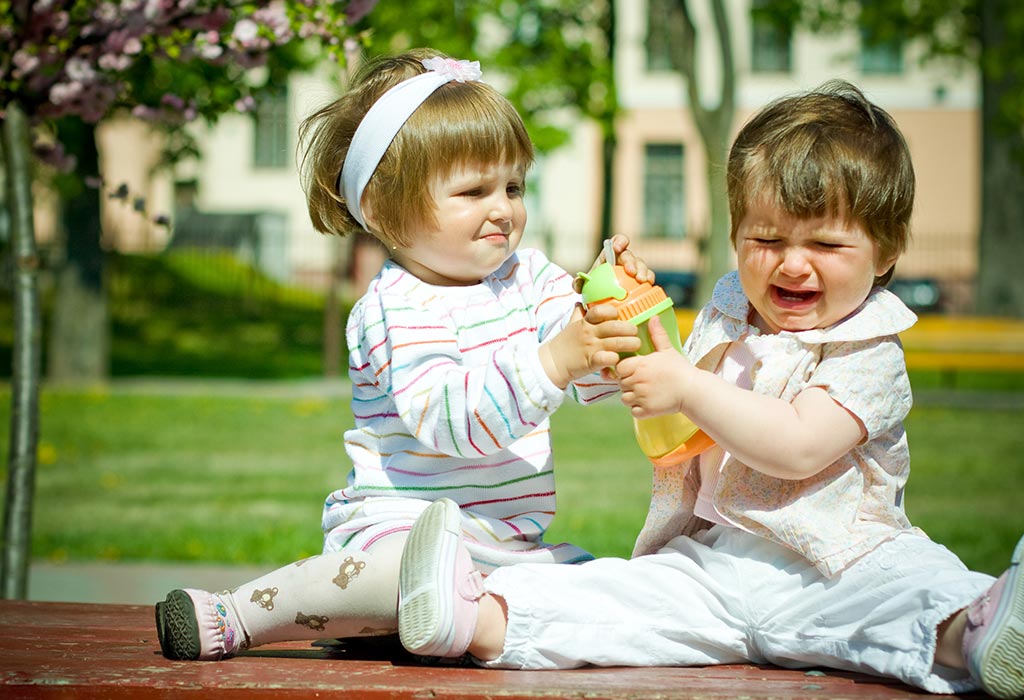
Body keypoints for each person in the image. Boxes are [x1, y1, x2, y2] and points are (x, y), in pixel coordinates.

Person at [394, 80, 1024, 699]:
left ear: (886, 252)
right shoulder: (728, 316)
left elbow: (800, 445)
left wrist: (687, 388)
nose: (793, 263)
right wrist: (626, 310)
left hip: (841, 565)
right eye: (767, 239)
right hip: (712, 564)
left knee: (911, 592)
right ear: (735, 235)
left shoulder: (870, 349)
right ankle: (471, 618)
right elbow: (666, 413)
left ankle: (979, 632)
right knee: (612, 597)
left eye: (826, 244)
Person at [154, 48, 651, 661]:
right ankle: (244, 614)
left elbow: (587, 381)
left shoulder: (534, 278)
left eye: (514, 185)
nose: (503, 207)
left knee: (607, 583)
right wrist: (557, 360)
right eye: (473, 190)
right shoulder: (394, 307)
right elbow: (448, 421)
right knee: (384, 573)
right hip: (400, 526)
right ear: (388, 210)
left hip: (507, 542)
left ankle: (436, 620)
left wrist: (608, 317)